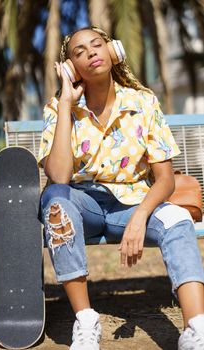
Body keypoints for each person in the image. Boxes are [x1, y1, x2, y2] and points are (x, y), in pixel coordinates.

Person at [38, 26, 204, 350]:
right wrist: (66, 104)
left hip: (135, 202)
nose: (90, 53)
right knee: (55, 201)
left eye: (97, 45)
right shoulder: (58, 108)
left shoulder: (143, 102)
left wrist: (141, 216)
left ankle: (196, 329)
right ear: (70, 66)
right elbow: (59, 176)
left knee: (178, 221)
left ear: (113, 51)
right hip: (82, 203)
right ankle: (86, 321)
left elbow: (166, 180)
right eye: (79, 52)